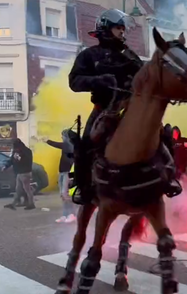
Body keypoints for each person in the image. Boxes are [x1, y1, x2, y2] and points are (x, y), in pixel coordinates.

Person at [68, 9, 142, 205]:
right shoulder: (89, 55)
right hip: (103, 108)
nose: (122, 32)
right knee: (84, 146)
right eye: (119, 28)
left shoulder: (130, 55)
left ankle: (167, 178)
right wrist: (99, 80)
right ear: (106, 28)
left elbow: (145, 77)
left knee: (161, 135)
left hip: (131, 109)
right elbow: (74, 81)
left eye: (123, 29)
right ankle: (83, 187)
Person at [45, 129, 77, 223]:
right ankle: (65, 215)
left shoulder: (70, 145)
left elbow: (58, 144)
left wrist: (47, 140)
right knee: (62, 195)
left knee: (65, 194)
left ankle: (72, 215)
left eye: (62, 136)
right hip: (62, 173)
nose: (61, 137)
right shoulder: (66, 146)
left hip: (68, 173)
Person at [3, 139, 35, 210]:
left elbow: (23, 161)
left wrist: (18, 158)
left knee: (27, 189)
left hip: (24, 173)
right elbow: (12, 160)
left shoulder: (24, 151)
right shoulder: (20, 151)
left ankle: (31, 204)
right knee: (18, 189)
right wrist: (6, 166)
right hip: (20, 173)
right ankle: (14, 204)